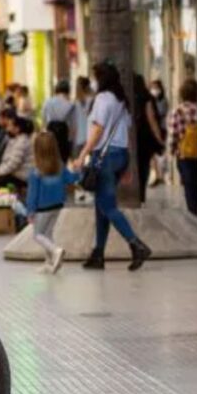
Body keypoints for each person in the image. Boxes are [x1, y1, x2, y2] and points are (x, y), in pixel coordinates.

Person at [72, 62, 152, 272]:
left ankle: (136, 244)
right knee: (101, 206)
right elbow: (127, 133)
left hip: (105, 157)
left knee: (107, 206)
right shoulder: (121, 101)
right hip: (120, 155)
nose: (94, 81)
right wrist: (128, 166)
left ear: (102, 79)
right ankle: (98, 254)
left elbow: (97, 130)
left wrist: (83, 155)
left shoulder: (102, 99)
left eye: (95, 77)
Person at [27, 132, 79, 274]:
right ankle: (49, 262)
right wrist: (78, 171)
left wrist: (30, 211)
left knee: (37, 235)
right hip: (58, 206)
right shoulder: (60, 166)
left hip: (42, 209)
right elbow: (71, 179)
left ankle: (56, 251)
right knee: (48, 233)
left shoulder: (36, 172)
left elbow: (32, 195)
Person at [168, 79, 197, 216]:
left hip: (184, 155)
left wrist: (172, 150)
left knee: (188, 185)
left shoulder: (178, 111)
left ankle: (192, 213)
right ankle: (195, 208)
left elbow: (173, 134)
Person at [134, 74, 166, 204]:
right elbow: (151, 119)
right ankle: (141, 194)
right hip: (145, 139)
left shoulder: (128, 98)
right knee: (143, 167)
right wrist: (159, 138)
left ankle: (134, 193)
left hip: (131, 138)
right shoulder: (147, 97)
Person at [0, 114, 34, 191]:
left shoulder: (22, 141)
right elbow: (6, 160)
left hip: (21, 176)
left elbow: (13, 163)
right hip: (14, 173)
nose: (7, 129)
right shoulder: (15, 139)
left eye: (10, 126)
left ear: (17, 129)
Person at [43, 79, 78, 163]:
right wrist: (72, 143)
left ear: (56, 90)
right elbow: (73, 126)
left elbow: (44, 119)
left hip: (50, 130)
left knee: (51, 158)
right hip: (63, 133)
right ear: (68, 91)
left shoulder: (48, 102)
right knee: (62, 159)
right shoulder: (71, 105)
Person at [149, 79, 170, 187]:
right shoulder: (150, 101)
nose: (154, 90)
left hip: (161, 128)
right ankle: (157, 174)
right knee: (153, 153)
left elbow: (161, 113)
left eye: (155, 88)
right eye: (152, 87)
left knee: (160, 152)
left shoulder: (163, 101)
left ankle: (161, 174)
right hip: (153, 128)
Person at [73, 76, 94, 158]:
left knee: (79, 166)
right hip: (88, 136)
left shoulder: (76, 102)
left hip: (83, 137)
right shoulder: (93, 99)